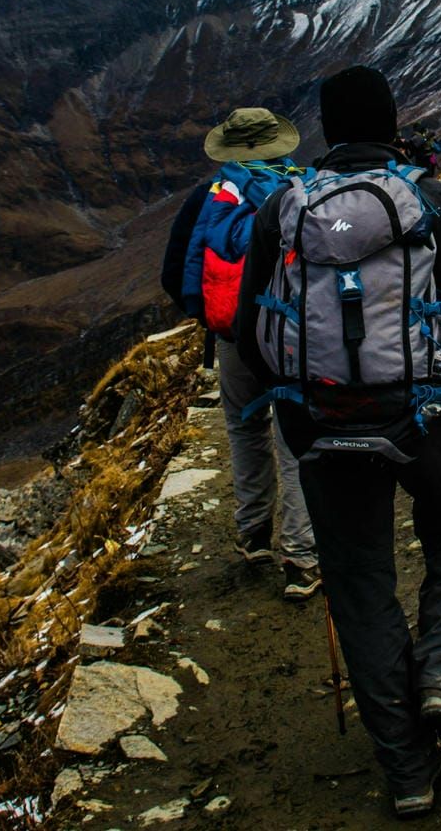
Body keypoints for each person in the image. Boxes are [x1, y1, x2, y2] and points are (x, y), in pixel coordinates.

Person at [236, 65, 441, 819]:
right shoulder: (429, 201)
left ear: (328, 131)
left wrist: (293, 411)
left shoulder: (284, 210)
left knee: (361, 587)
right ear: (393, 123)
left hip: (324, 427)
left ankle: (407, 774)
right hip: (422, 417)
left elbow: (250, 326)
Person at [161, 106, 321, 601]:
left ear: (228, 149)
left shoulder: (209, 197)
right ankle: (302, 556)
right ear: (281, 144)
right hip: (294, 338)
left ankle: (254, 535)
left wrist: (213, 314)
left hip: (234, 337)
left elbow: (174, 272)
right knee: (295, 436)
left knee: (244, 426)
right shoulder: (307, 189)